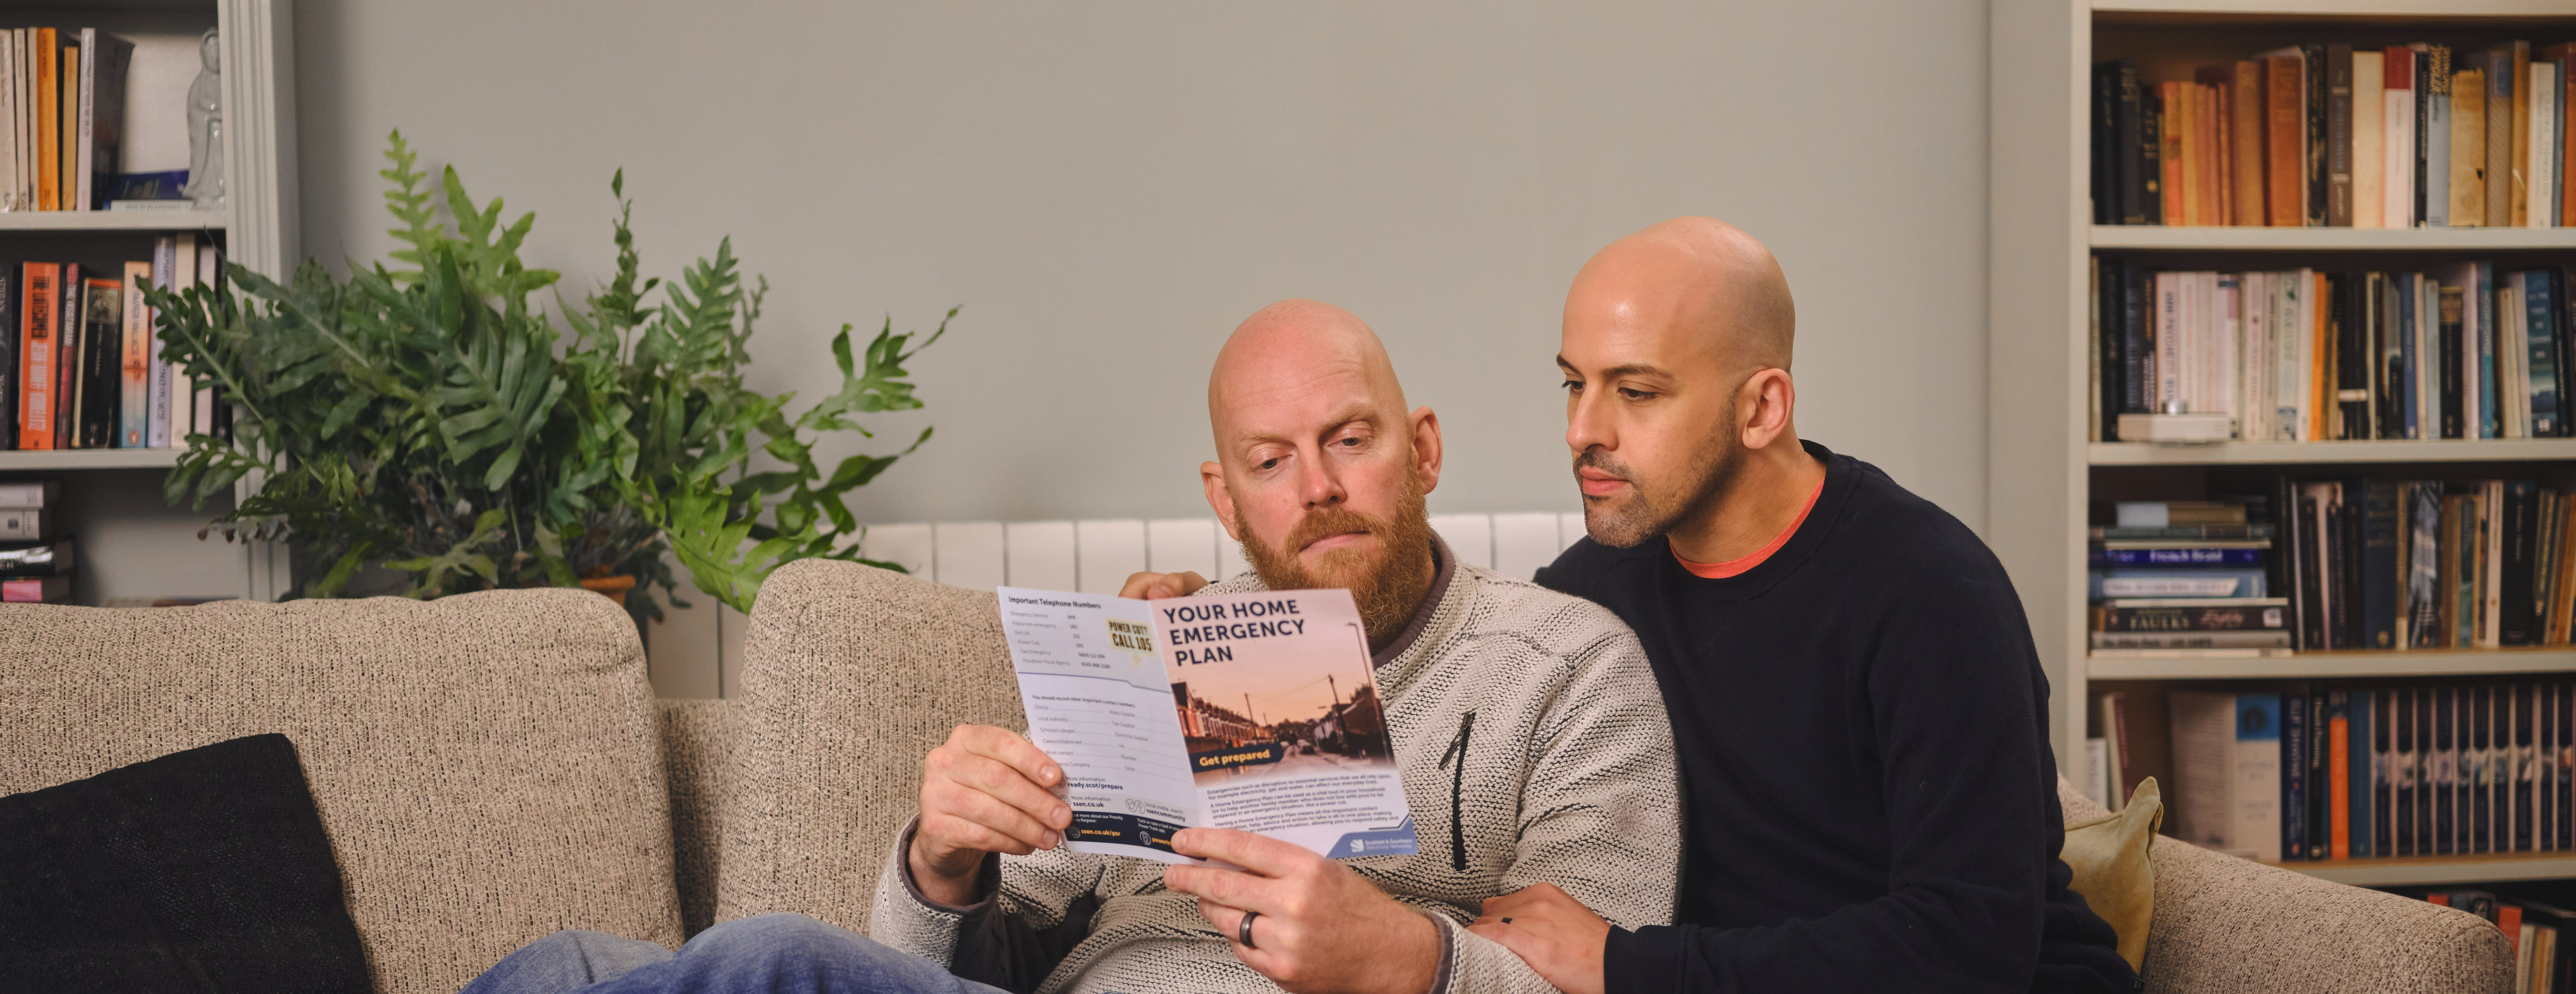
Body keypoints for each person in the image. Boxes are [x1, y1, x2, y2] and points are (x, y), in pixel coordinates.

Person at [460, 299, 1681, 994]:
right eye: (1268, 462)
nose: (1312, 487)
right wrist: (942, 864)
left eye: (1348, 439)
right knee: (565, 966)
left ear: (1420, 449)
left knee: (764, 961)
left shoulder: (1565, 663)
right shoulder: (1163, 646)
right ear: (1222, 495)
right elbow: (963, 959)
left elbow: (1594, 980)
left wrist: (1403, 954)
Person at [1461, 217, 2134, 994]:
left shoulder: (1933, 592)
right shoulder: (1591, 592)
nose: (1582, 431)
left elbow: (1970, 944)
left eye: (1636, 392)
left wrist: (1621, 964)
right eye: (1574, 383)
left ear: (1761, 408)